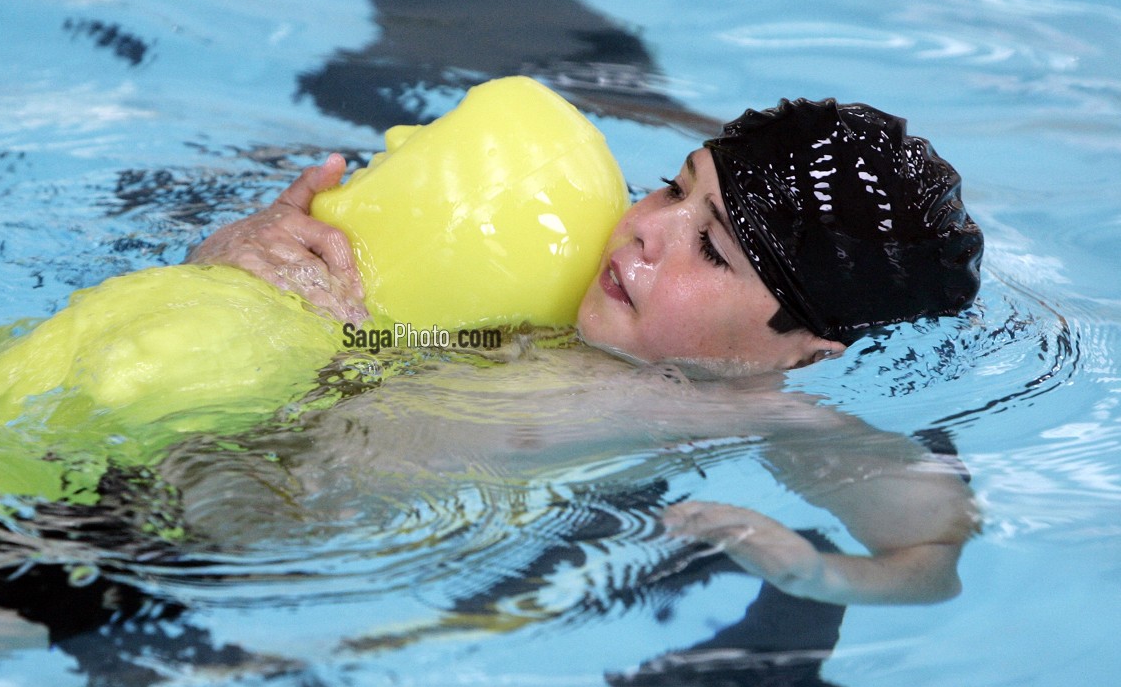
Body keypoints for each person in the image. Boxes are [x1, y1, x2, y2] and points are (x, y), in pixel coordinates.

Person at [189, 96, 985, 606]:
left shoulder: (756, 416)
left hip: (219, 557)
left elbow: (933, 554)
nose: (646, 226)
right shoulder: (546, 310)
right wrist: (257, 271)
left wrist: (808, 570)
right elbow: (383, 347)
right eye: (674, 188)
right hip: (198, 484)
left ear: (809, 350)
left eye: (710, 249)